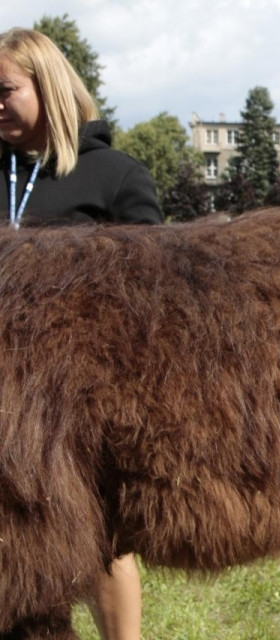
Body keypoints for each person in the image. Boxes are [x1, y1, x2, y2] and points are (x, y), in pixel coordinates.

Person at [0, 27, 162, 640]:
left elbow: (152, 296)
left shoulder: (115, 176)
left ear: (49, 86)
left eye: (5, 89)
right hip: (3, 400)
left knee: (98, 536)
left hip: (81, 402)